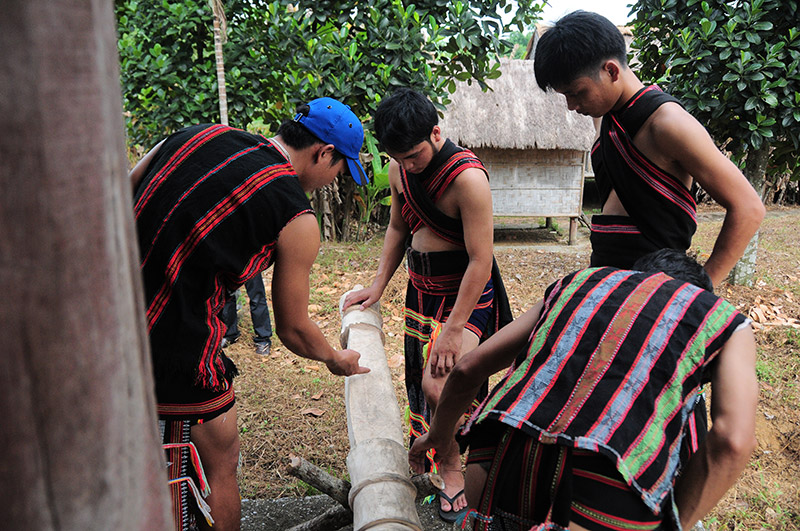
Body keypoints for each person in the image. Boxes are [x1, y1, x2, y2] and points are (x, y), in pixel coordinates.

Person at [129, 97, 371, 531]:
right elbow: (294, 328)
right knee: (222, 461)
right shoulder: (296, 216)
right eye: (339, 170)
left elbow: (122, 191)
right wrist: (336, 359)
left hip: (108, 320)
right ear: (323, 153)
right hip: (179, 349)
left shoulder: (197, 133)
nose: (334, 182)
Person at [409, 249, 757, 530]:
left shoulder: (576, 282)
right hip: (606, 493)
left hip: (499, 460)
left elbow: (468, 367)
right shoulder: (721, 318)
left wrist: (438, 436)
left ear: (633, 273)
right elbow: (732, 440)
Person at [343, 88, 512, 522]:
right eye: (399, 157)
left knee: (444, 384)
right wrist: (378, 286)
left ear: (436, 132)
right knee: (423, 385)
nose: (409, 165)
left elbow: (480, 260)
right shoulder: (402, 170)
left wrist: (454, 330)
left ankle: (453, 468)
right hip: (422, 293)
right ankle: (445, 454)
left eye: (415, 154)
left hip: (465, 297)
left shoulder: (467, 180)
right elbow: (399, 228)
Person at [533, 10, 765, 288]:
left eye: (576, 92)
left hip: (657, 286)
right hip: (603, 278)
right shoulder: (606, 116)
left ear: (611, 71)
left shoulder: (668, 124)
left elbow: (749, 207)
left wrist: (702, 291)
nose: (571, 106)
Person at [220, 276, 273, 355]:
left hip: (249, 265)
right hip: (229, 265)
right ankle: (230, 334)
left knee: (256, 296)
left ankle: (263, 339)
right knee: (227, 294)